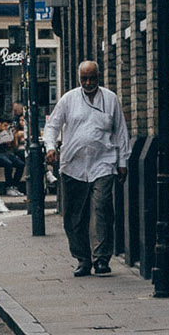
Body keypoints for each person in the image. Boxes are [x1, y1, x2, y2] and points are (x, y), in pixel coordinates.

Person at [43, 60, 131, 276]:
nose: (89, 82)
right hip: (73, 165)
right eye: (84, 79)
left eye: (92, 78)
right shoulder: (69, 99)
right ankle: (83, 259)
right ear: (78, 78)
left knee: (101, 209)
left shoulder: (110, 99)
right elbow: (52, 126)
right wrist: (50, 147)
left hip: (103, 162)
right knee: (75, 215)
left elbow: (121, 131)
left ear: (99, 77)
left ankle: (101, 258)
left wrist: (122, 162)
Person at [0, 116, 26, 195]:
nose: (6, 127)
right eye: (5, 125)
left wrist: (13, 138)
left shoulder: (8, 131)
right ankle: (8, 187)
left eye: (7, 126)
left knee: (21, 164)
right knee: (8, 163)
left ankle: (15, 186)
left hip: (6, 153)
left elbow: (13, 147)